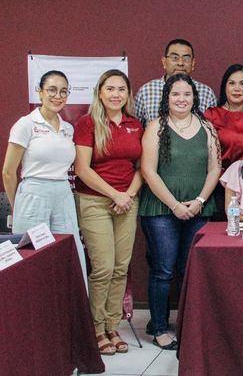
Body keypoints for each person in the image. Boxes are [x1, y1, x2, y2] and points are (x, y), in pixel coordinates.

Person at [139, 74, 220, 350]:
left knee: (190, 270)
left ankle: (188, 326)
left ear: (194, 97)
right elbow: (148, 171)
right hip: (161, 210)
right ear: (167, 97)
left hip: (198, 208)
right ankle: (160, 328)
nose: (182, 99)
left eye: (187, 94)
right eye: (176, 94)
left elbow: (215, 168)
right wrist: (174, 204)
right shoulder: (155, 128)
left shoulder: (207, 128)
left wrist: (198, 200)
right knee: (163, 270)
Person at [73, 69, 143, 355]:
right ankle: (96, 328)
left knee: (120, 267)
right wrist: (114, 194)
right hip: (95, 202)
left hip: (127, 202)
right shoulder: (87, 123)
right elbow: (82, 169)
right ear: (100, 92)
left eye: (121, 90)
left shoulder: (135, 124)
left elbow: (141, 168)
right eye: (110, 89)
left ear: (128, 94)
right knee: (102, 268)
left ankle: (113, 325)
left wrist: (127, 195)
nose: (116, 94)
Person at [2, 70, 86, 280]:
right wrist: (18, 206)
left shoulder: (68, 128)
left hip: (63, 193)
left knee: (69, 252)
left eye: (63, 91)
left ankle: (67, 311)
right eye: (52, 90)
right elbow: (8, 172)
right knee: (32, 258)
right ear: (39, 92)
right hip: (33, 193)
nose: (58, 96)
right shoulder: (26, 124)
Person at [204, 64, 243, 219]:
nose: (237, 88)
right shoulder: (212, 115)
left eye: (242, 84)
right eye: (232, 83)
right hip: (217, 187)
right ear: (224, 87)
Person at [134, 38, 217, 126]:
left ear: (193, 64)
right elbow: (135, 129)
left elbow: (212, 130)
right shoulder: (146, 91)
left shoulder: (206, 94)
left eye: (186, 58)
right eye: (175, 58)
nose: (180, 63)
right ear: (164, 62)